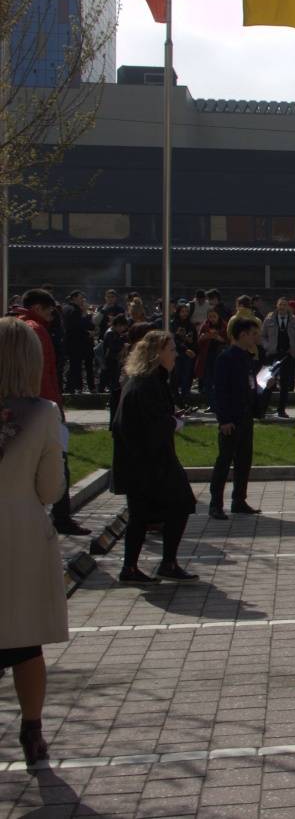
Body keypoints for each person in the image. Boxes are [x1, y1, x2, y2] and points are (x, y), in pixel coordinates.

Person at [0, 317, 70, 766]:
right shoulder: (43, 413)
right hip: (17, 532)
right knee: (24, 642)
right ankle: (32, 729)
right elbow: (50, 490)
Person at [111, 330, 200, 585]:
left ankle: (145, 565)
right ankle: (151, 565)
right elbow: (144, 424)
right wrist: (172, 422)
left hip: (148, 459)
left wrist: (171, 418)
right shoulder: (145, 383)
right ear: (157, 353)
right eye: (171, 350)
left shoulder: (150, 380)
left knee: (149, 513)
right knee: (175, 504)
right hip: (146, 461)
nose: (175, 355)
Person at [15, 289, 91, 537]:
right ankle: (61, 517)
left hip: (23, 407)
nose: (52, 316)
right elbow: (44, 373)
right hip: (41, 406)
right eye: (49, 311)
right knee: (58, 463)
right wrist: (55, 407)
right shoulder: (35, 330)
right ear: (37, 307)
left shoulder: (17, 326)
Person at [209, 315, 271, 519]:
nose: (256, 338)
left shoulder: (247, 358)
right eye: (253, 334)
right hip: (231, 419)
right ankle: (215, 504)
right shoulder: (226, 358)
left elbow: (250, 387)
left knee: (244, 460)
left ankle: (239, 500)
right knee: (224, 461)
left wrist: (264, 388)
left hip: (245, 417)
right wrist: (224, 419)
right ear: (242, 335)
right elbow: (220, 391)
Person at [262, 297, 295, 419]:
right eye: (280, 305)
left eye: (285, 305)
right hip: (273, 354)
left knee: (285, 383)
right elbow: (263, 336)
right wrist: (268, 347)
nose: (283, 307)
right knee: (269, 381)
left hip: (288, 355)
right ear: (277, 306)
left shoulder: (294, 320)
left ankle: (281, 410)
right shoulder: (268, 320)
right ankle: (262, 408)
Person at [61, 291, 93, 395]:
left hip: (69, 341)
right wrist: (87, 330)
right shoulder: (75, 310)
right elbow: (78, 326)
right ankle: (72, 387)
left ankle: (71, 387)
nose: (82, 300)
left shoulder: (65, 308)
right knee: (75, 366)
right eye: (80, 298)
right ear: (74, 298)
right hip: (77, 342)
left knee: (73, 365)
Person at [102, 315, 129, 428]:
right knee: (115, 393)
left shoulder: (115, 334)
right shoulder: (110, 334)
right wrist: (124, 345)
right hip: (112, 366)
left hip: (115, 366)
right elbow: (113, 348)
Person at [196, 307, 227, 403]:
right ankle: (211, 403)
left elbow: (227, 340)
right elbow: (199, 341)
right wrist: (205, 337)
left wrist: (217, 337)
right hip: (207, 356)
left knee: (219, 380)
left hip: (220, 356)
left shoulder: (224, 326)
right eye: (210, 317)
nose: (212, 319)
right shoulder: (205, 326)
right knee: (208, 380)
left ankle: (219, 401)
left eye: (214, 316)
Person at [170, 300, 198, 409]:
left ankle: (184, 400)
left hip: (188, 355)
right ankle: (176, 401)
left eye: (186, 311)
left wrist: (191, 344)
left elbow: (194, 340)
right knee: (175, 378)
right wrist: (185, 348)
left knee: (187, 378)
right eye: (182, 311)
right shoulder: (173, 324)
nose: (185, 314)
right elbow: (173, 340)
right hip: (177, 354)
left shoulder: (190, 325)